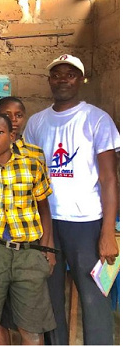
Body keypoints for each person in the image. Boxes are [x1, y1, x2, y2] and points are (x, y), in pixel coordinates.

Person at [23, 54, 119, 345]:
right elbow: (30, 175)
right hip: (47, 222)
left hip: (86, 223)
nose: (63, 79)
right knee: (50, 297)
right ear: (49, 80)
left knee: (94, 296)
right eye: (57, 74)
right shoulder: (37, 122)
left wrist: (107, 232)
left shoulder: (97, 119)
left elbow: (109, 178)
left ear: (80, 80)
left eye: (70, 74)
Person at [0, 113, 57, 345]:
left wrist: (48, 246)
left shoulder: (32, 166)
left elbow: (44, 209)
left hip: (29, 252)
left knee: (32, 328)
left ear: (12, 136)